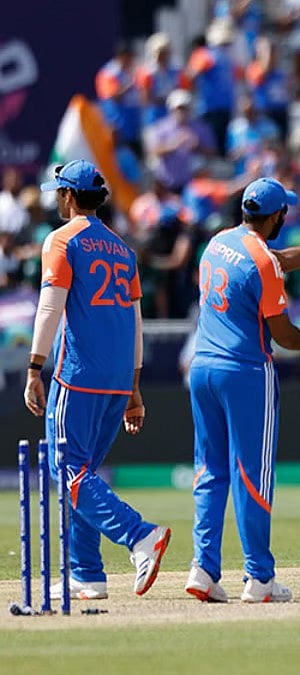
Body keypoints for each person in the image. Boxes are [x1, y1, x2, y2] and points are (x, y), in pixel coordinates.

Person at [185, 178, 300, 603]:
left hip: (202, 367)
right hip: (245, 372)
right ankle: (260, 579)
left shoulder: (220, 242)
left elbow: (275, 260)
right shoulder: (261, 261)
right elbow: (282, 333)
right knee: (253, 475)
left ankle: (203, 569)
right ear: (279, 215)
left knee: (210, 472)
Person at [26, 160, 170, 600]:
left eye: (58, 192)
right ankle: (86, 573)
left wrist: (34, 368)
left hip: (79, 374)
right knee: (82, 473)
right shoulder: (122, 249)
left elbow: (50, 309)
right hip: (117, 378)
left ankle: (139, 535)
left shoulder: (62, 240)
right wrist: (135, 388)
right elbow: (136, 322)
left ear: (69, 196)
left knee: (66, 469)